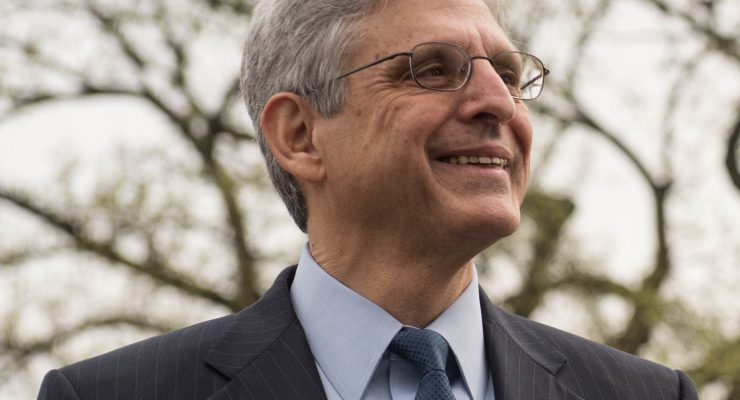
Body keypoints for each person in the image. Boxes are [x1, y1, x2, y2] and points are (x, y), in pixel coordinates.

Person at [38, 0, 699, 399]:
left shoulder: (646, 394)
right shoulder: (106, 396)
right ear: (300, 136)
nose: (499, 103)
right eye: (433, 70)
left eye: (508, 74)